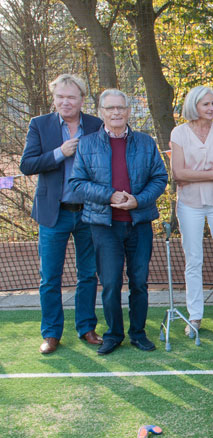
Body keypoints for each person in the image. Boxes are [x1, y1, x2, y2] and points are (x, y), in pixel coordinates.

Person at [69, 89, 168, 355]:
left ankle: (138, 333)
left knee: (139, 282)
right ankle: (113, 335)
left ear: (128, 111)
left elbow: (160, 178)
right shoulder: (87, 144)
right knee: (111, 283)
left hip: (139, 223)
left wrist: (138, 201)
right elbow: (77, 182)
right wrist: (109, 195)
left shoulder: (146, 143)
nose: (116, 113)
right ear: (101, 112)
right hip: (104, 226)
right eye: (110, 108)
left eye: (120, 108)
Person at [20, 74, 103, 354]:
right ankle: (52, 333)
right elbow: (27, 165)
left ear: (82, 99)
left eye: (71, 97)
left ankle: (87, 328)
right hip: (53, 213)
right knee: (49, 277)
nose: (65, 102)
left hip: (88, 212)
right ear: (54, 99)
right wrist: (59, 152)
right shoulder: (39, 125)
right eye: (60, 97)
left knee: (88, 274)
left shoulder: (96, 125)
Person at [170, 85, 213, 336]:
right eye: (206, 104)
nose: (211, 108)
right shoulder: (179, 133)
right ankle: (195, 317)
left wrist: (194, 174)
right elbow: (178, 173)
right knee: (193, 260)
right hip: (189, 204)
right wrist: (211, 174)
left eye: (212, 103)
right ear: (194, 106)